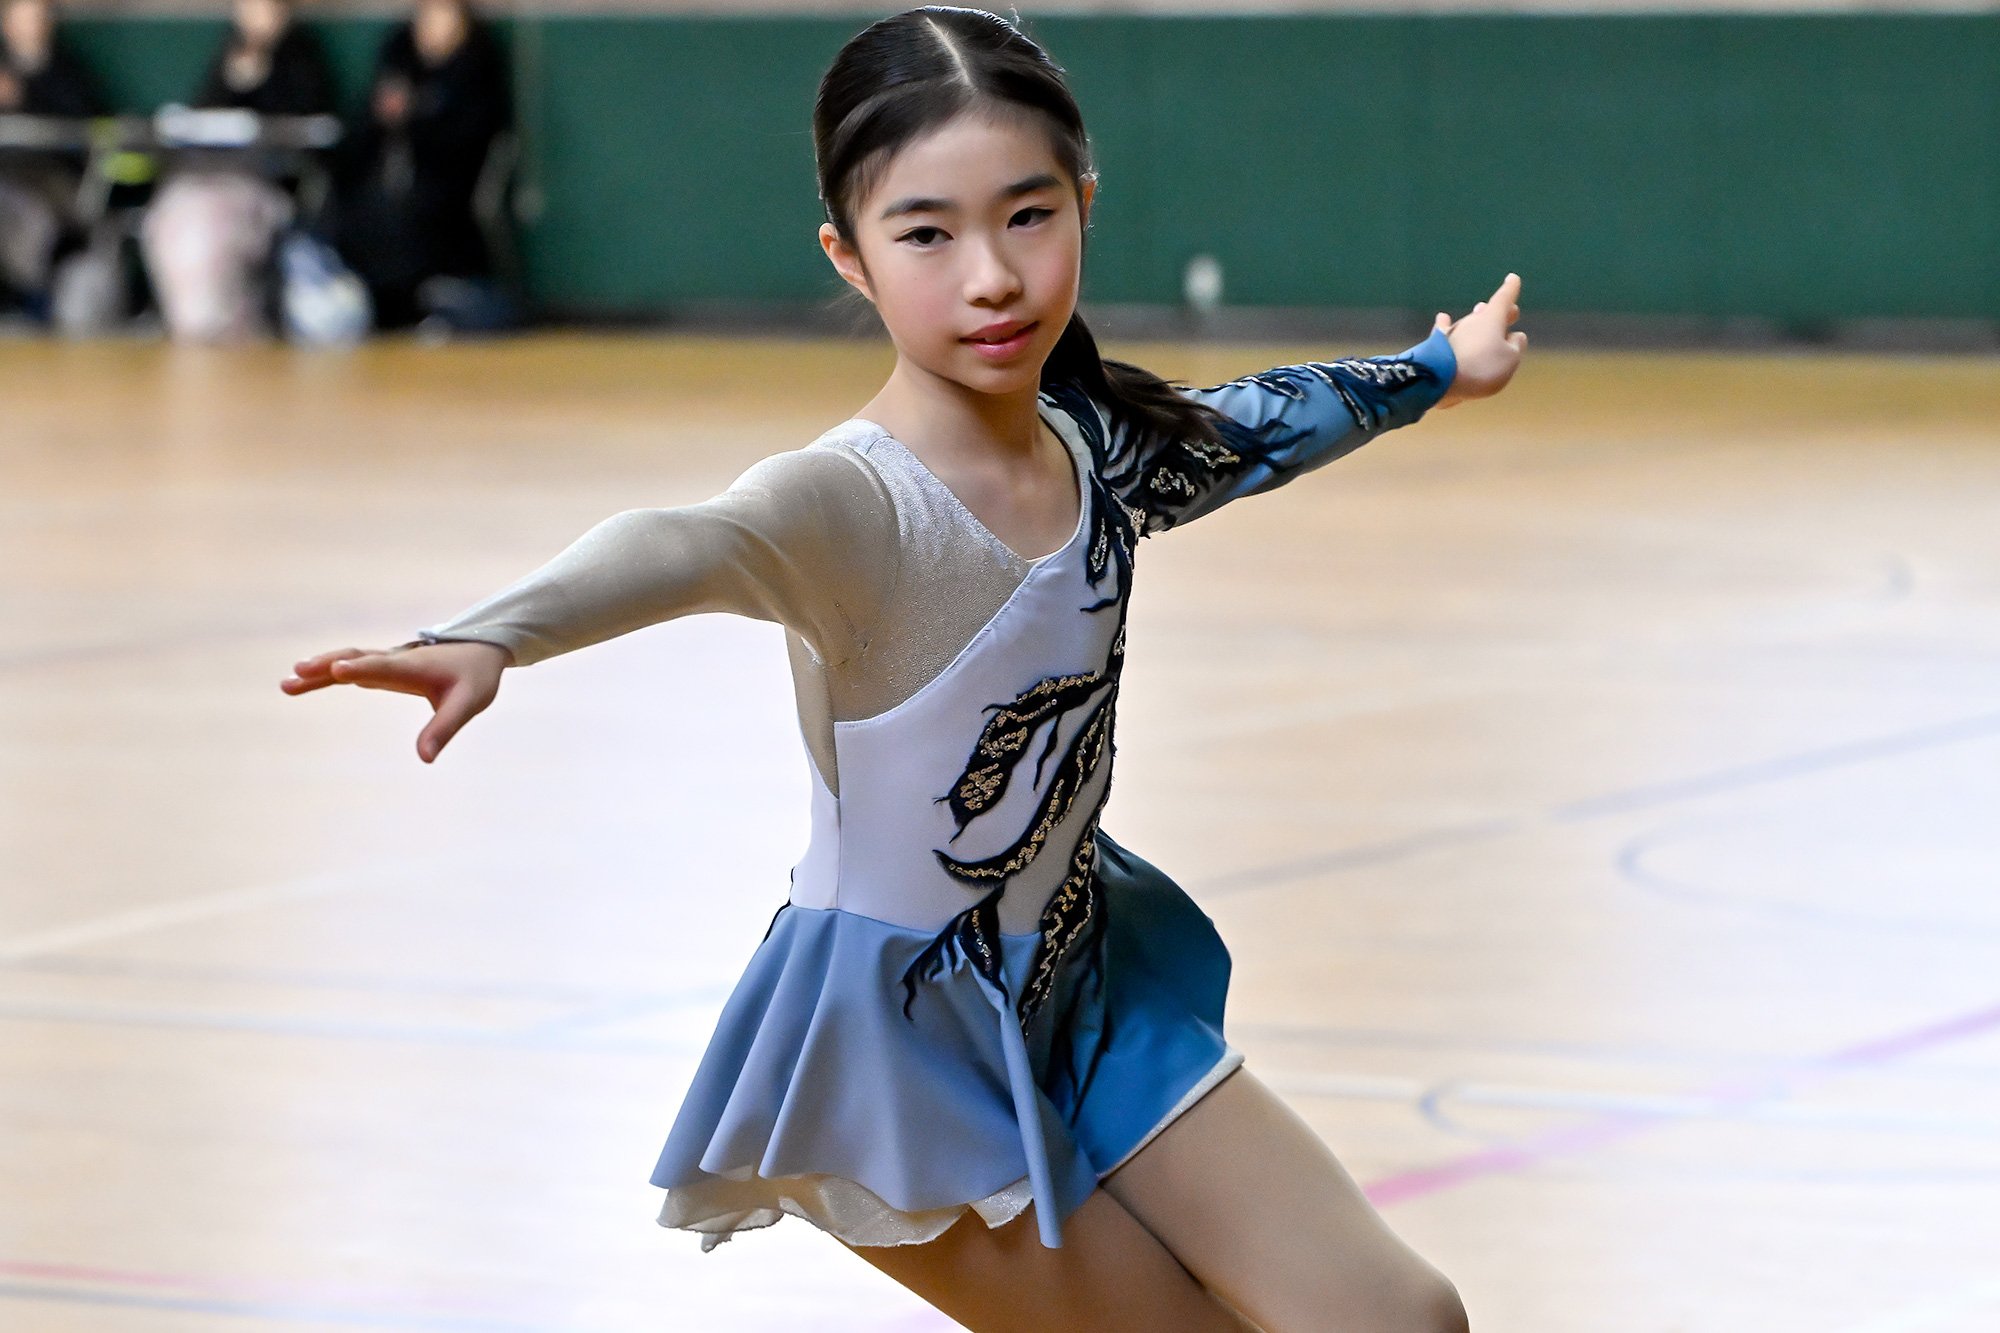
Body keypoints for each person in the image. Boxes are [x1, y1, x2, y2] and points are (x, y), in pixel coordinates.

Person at [282, 9, 1525, 1330]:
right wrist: (495, 631)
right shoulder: (859, 503)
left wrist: (1436, 368)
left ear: (1084, 203)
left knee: (1401, 1317)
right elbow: (691, 540)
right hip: (904, 1049)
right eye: (927, 234)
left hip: (1081, 983)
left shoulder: (1094, 448)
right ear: (850, 256)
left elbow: (1251, 426)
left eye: (1027, 216)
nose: (991, 276)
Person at [142, 0, 332, 340]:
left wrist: (265, 76)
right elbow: (202, 116)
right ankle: (185, 321)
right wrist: (235, 79)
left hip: (261, 183)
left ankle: (232, 321)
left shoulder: (301, 55)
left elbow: (307, 126)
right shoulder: (229, 52)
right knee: (168, 215)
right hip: (207, 176)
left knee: (216, 226)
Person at [335, 0, 510, 329]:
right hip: (385, 184)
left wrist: (417, 117)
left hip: (449, 186)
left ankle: (421, 304)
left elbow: (470, 138)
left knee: (412, 213)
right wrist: (384, 116)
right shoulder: (398, 55)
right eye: (428, 17)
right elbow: (358, 137)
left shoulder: (476, 64)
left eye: (445, 17)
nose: (434, 28)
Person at [0, 0, 98, 317]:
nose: (31, 25)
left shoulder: (65, 70)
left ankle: (35, 300)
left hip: (50, 181)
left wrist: (23, 96)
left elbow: (82, 125)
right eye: (22, 17)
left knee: (31, 219)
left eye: (38, 17)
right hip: (6, 176)